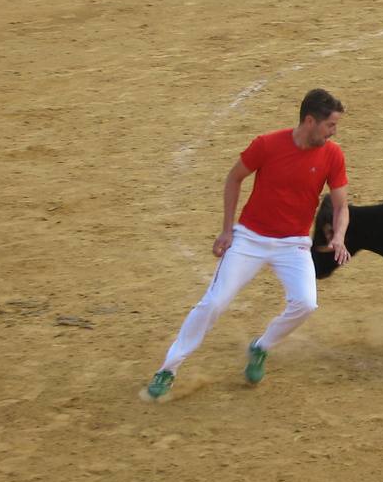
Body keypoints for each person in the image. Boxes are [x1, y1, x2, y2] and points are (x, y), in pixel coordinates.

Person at [146, 88, 351, 400]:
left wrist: (338, 236)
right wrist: (227, 230)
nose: (334, 132)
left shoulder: (332, 154)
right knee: (213, 303)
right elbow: (234, 178)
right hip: (250, 239)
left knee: (306, 303)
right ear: (310, 121)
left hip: (293, 243)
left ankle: (261, 347)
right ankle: (168, 369)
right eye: (330, 125)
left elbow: (340, 206)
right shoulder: (267, 144)